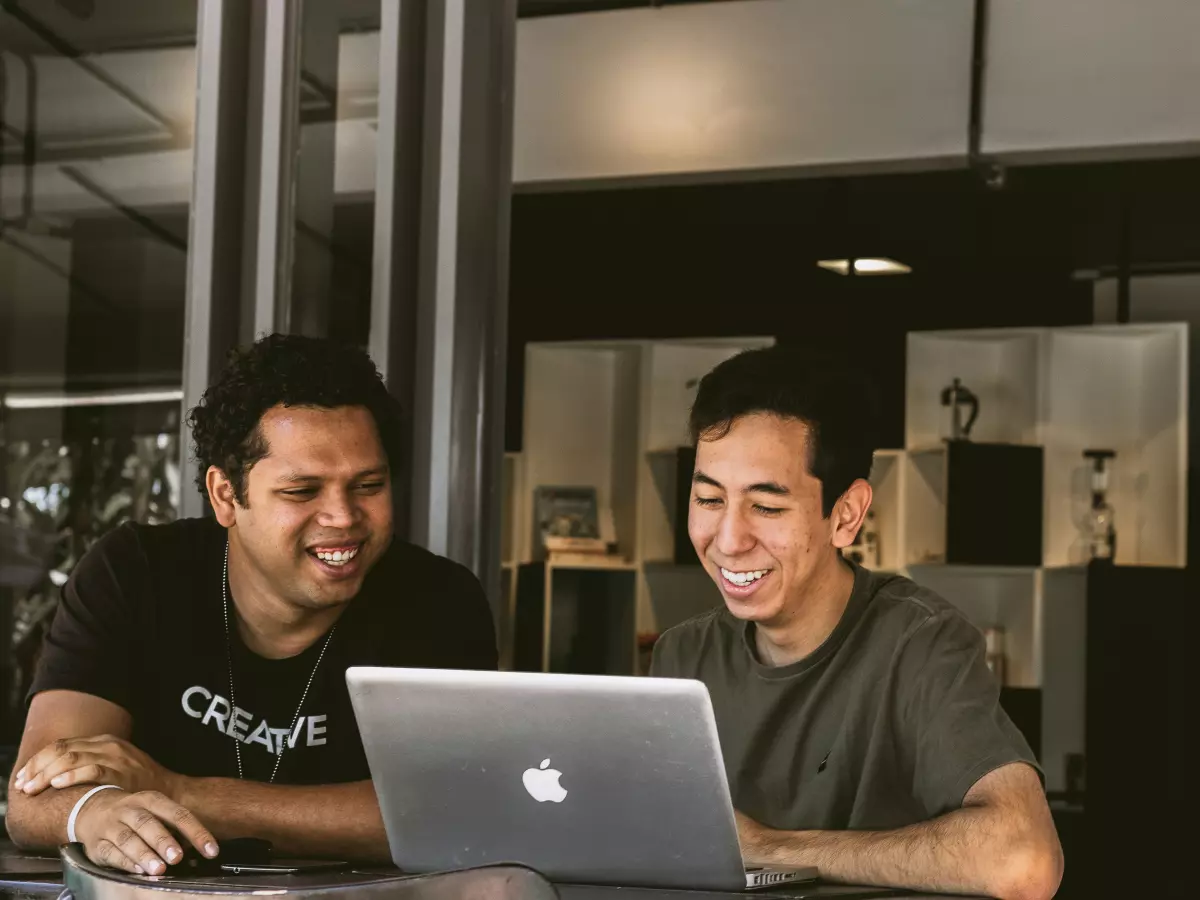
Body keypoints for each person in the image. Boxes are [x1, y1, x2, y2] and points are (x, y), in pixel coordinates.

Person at [5, 334, 497, 873]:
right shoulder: (136, 572)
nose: (343, 516)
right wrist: (93, 811)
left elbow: (444, 813)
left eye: (368, 485)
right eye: (302, 491)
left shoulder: (439, 600)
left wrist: (178, 793)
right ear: (225, 496)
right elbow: (35, 796)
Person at [650, 347, 1063, 900]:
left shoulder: (921, 644)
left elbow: (1024, 859)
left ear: (846, 515)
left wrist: (772, 848)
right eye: (707, 498)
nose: (728, 540)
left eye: (766, 508)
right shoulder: (682, 655)